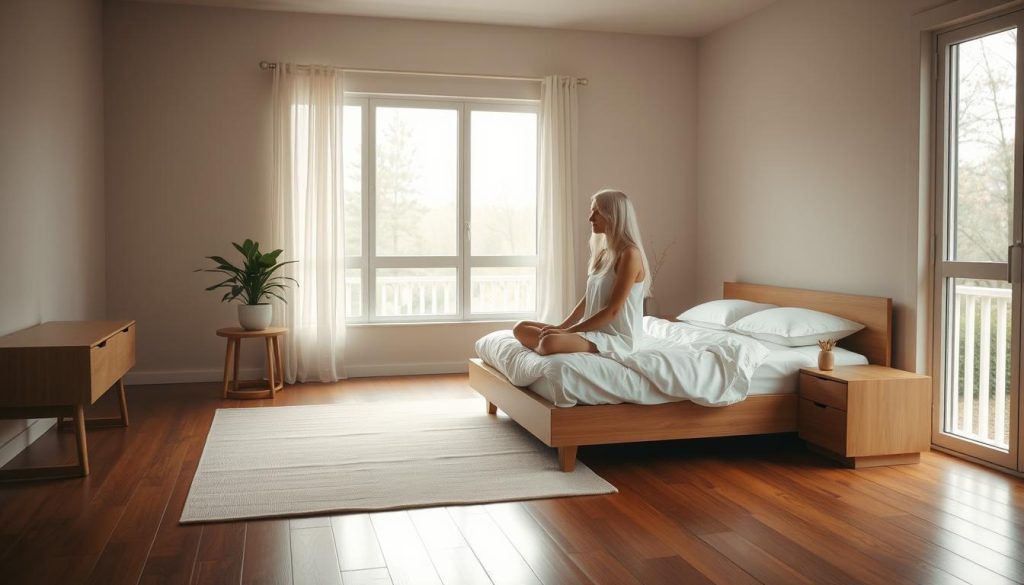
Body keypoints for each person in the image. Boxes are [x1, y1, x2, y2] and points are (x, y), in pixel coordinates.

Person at [513, 189, 651, 356]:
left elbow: (613, 310)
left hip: (616, 337)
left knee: (549, 341)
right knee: (520, 328)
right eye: (591, 211)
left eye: (597, 212)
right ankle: (545, 345)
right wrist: (562, 327)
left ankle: (546, 345)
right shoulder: (604, 253)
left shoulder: (630, 254)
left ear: (613, 215)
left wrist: (569, 332)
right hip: (592, 331)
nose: (590, 218)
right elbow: (588, 297)